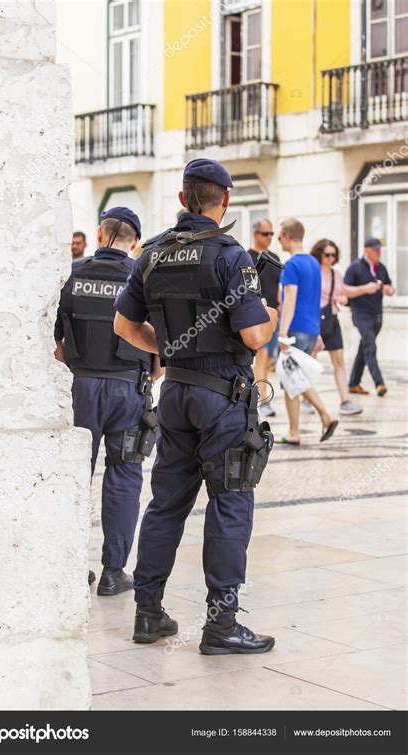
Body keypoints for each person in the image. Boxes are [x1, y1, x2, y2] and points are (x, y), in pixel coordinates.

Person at [114, 158, 278, 655]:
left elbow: (124, 327)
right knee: (230, 503)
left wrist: (168, 348)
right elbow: (253, 334)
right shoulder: (232, 255)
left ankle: (148, 614)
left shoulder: (153, 253)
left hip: (176, 395)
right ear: (223, 201)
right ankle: (221, 623)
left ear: (184, 199)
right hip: (222, 396)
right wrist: (272, 314)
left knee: (166, 503)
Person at [54, 207, 162, 596]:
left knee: (72, 476)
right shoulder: (142, 278)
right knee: (124, 478)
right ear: (134, 241)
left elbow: (55, 344)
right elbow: (161, 354)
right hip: (128, 390)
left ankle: (67, 565)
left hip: (80, 389)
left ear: (101, 234)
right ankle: (114, 572)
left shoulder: (71, 274)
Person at [278, 218, 338, 445]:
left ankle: (318, 419)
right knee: (296, 378)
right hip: (311, 329)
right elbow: (315, 300)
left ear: (288, 237)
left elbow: (290, 300)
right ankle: (303, 426)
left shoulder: (292, 265)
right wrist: (318, 332)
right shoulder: (314, 263)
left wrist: (283, 332)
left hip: (295, 329)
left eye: (280, 237)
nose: (279, 241)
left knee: (292, 379)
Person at [310, 239, 362, 416]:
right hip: (315, 321)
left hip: (332, 320)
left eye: (333, 254)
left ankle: (345, 400)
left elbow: (343, 297)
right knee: (310, 361)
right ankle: (305, 400)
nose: (330, 258)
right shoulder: (313, 271)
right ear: (319, 254)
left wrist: (342, 299)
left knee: (339, 363)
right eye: (327, 254)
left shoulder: (336, 275)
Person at [344, 238, 395, 397]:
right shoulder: (355, 267)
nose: (379, 252)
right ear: (366, 250)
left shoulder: (381, 268)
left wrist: (389, 290)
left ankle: (353, 383)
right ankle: (379, 383)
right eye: (375, 249)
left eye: (380, 249)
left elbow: (390, 286)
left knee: (365, 347)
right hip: (361, 314)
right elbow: (345, 290)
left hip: (377, 314)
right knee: (370, 347)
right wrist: (365, 289)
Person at [249, 218, 281, 418]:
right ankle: (262, 399)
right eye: (265, 234)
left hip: (273, 315)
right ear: (256, 234)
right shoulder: (247, 257)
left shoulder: (276, 258)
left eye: (271, 234)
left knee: (269, 359)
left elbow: (279, 290)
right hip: (255, 316)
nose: (269, 238)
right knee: (261, 358)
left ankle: (257, 393)